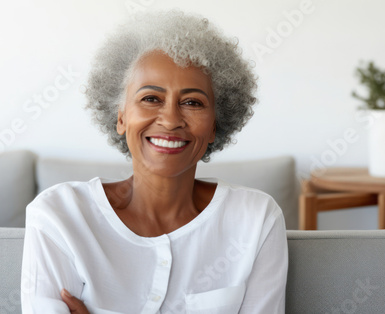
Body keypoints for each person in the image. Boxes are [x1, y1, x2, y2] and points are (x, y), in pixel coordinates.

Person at [21, 10, 288, 314]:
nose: (171, 120)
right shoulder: (60, 216)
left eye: (192, 102)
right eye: (151, 98)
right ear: (121, 116)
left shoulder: (256, 220)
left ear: (215, 125)